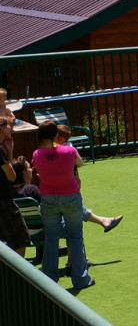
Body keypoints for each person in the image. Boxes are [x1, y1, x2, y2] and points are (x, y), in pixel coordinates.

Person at [31, 120, 94, 289]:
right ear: (57, 134)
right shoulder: (70, 151)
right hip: (71, 197)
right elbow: (79, 163)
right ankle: (81, 279)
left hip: (48, 199)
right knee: (76, 237)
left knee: (51, 239)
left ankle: (49, 281)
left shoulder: (36, 154)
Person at [12, 155, 122, 233]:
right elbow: (52, 204)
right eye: (29, 167)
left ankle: (103, 221)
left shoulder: (10, 192)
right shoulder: (32, 190)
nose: (32, 169)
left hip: (22, 229)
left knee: (71, 206)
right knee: (72, 211)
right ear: (24, 172)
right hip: (44, 228)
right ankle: (75, 259)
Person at [0, 117, 29, 258]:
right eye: (9, 126)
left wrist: (10, 151)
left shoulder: (2, 149)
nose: (12, 128)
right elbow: (11, 176)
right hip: (4, 201)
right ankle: (16, 278)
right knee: (20, 239)